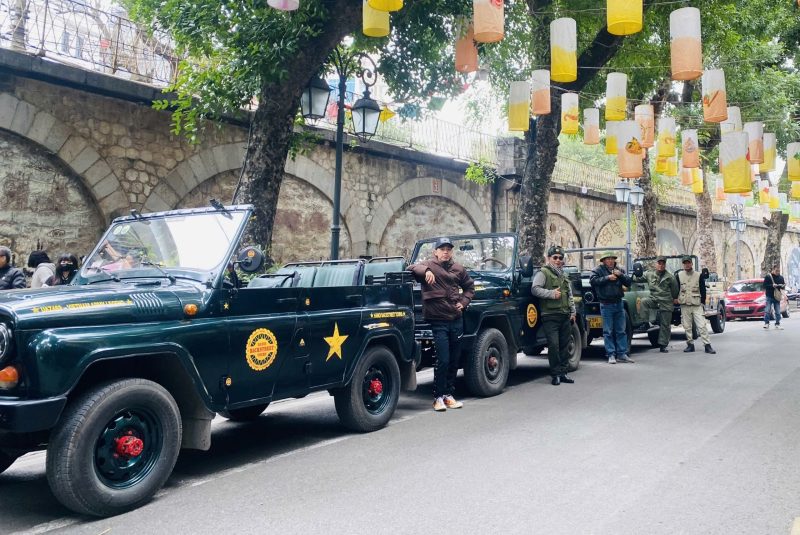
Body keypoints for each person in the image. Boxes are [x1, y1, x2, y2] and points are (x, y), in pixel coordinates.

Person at [408, 237, 474, 412]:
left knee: (454, 359)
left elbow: (470, 287)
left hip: (456, 319)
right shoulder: (428, 264)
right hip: (438, 320)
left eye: (448, 249)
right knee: (443, 359)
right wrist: (426, 270)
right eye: (442, 249)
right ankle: (438, 397)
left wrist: (464, 302)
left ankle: (448, 395)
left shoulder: (458, 269)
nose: (445, 252)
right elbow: (411, 267)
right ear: (435, 252)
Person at [531, 245, 576, 385]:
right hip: (550, 315)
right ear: (549, 258)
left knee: (564, 345)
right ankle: (555, 374)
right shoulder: (543, 273)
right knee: (554, 346)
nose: (557, 260)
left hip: (565, 315)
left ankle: (563, 373)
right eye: (555, 257)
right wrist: (551, 294)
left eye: (560, 258)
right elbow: (535, 289)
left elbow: (569, 295)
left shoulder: (563, 274)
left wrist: (573, 311)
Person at [590, 251, 634, 364]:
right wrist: (607, 278)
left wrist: (620, 275)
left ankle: (622, 354)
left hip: (619, 303)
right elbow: (593, 281)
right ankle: (611, 354)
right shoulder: (598, 270)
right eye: (607, 259)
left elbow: (629, 282)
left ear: (614, 260)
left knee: (621, 330)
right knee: (608, 331)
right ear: (603, 261)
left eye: (612, 259)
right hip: (606, 304)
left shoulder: (619, 269)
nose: (610, 261)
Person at [633, 256, 679, 353]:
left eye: (663, 264)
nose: (661, 265)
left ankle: (663, 345)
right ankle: (644, 322)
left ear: (665, 265)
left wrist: (674, 299)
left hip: (666, 301)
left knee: (665, 324)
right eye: (659, 263)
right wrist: (631, 275)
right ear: (656, 264)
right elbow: (638, 278)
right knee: (644, 301)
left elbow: (675, 291)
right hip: (654, 299)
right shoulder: (649, 274)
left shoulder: (670, 277)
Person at [677, 256, 716, 354]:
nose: (687, 265)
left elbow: (703, 290)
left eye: (688, 263)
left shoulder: (699, 275)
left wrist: (702, 303)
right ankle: (690, 344)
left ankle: (707, 345)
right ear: (683, 264)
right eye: (685, 263)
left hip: (696, 304)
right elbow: (676, 289)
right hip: (684, 304)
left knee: (702, 325)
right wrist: (676, 299)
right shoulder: (679, 275)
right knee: (687, 326)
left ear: (691, 263)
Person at [763, 265, 786, 330]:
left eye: (779, 271)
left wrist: (784, 294)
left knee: (778, 311)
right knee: (767, 310)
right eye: (776, 271)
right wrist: (772, 285)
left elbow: (782, 288)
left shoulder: (781, 277)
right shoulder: (768, 277)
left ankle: (777, 323)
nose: (778, 272)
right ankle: (766, 323)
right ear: (773, 270)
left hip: (777, 296)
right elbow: (764, 286)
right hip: (769, 296)